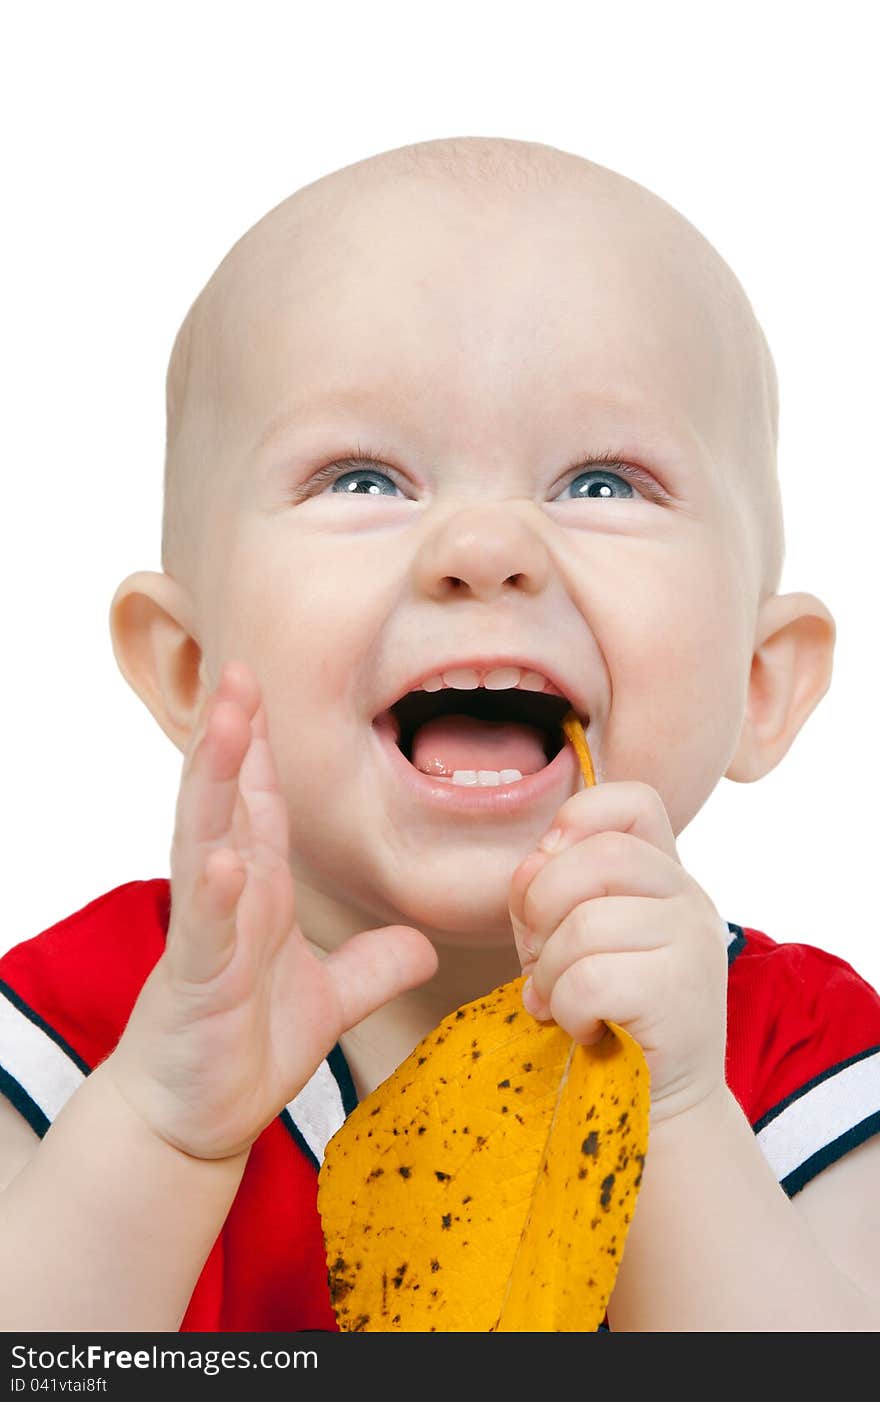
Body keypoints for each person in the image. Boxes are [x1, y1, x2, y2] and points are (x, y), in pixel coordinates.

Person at [1, 135, 879, 1333]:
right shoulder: (89, 1025)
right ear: (191, 669)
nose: (483, 549)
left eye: (603, 482)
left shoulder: (799, 1056)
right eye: (362, 480)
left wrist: (672, 1117)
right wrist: (161, 1125)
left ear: (762, 681)